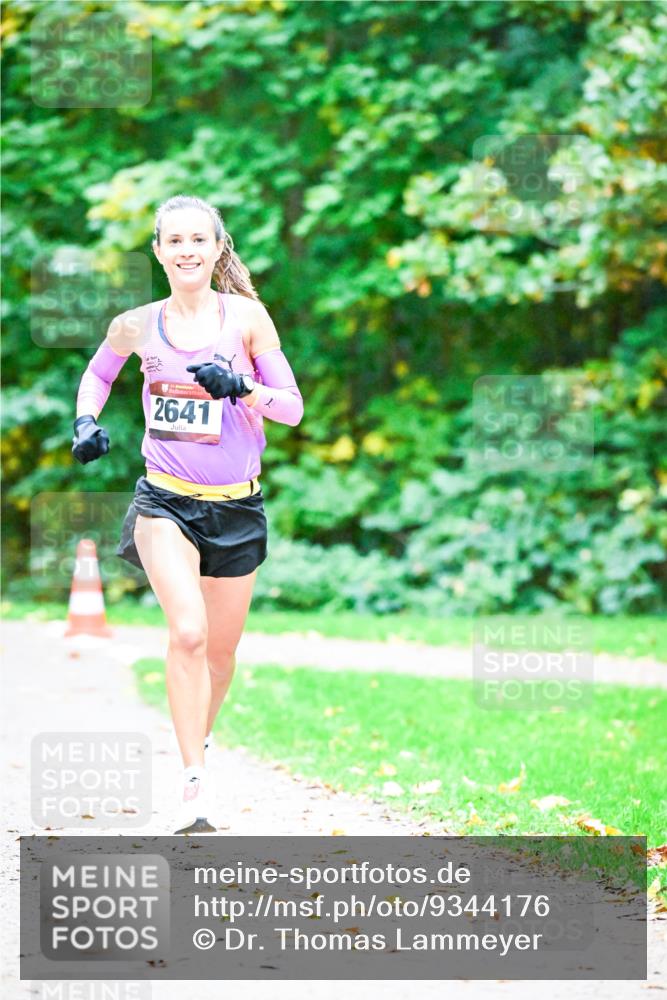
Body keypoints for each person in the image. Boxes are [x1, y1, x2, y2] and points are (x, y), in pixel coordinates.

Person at [72, 194, 304, 834]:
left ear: (217, 247)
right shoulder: (137, 325)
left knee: (222, 654)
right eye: (174, 241)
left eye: (198, 240)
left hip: (238, 506)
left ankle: (194, 750)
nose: (187, 251)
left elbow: (292, 408)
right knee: (190, 634)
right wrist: (86, 422)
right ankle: (193, 784)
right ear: (158, 251)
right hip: (165, 501)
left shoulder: (249, 321)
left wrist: (243, 387)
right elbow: (97, 376)